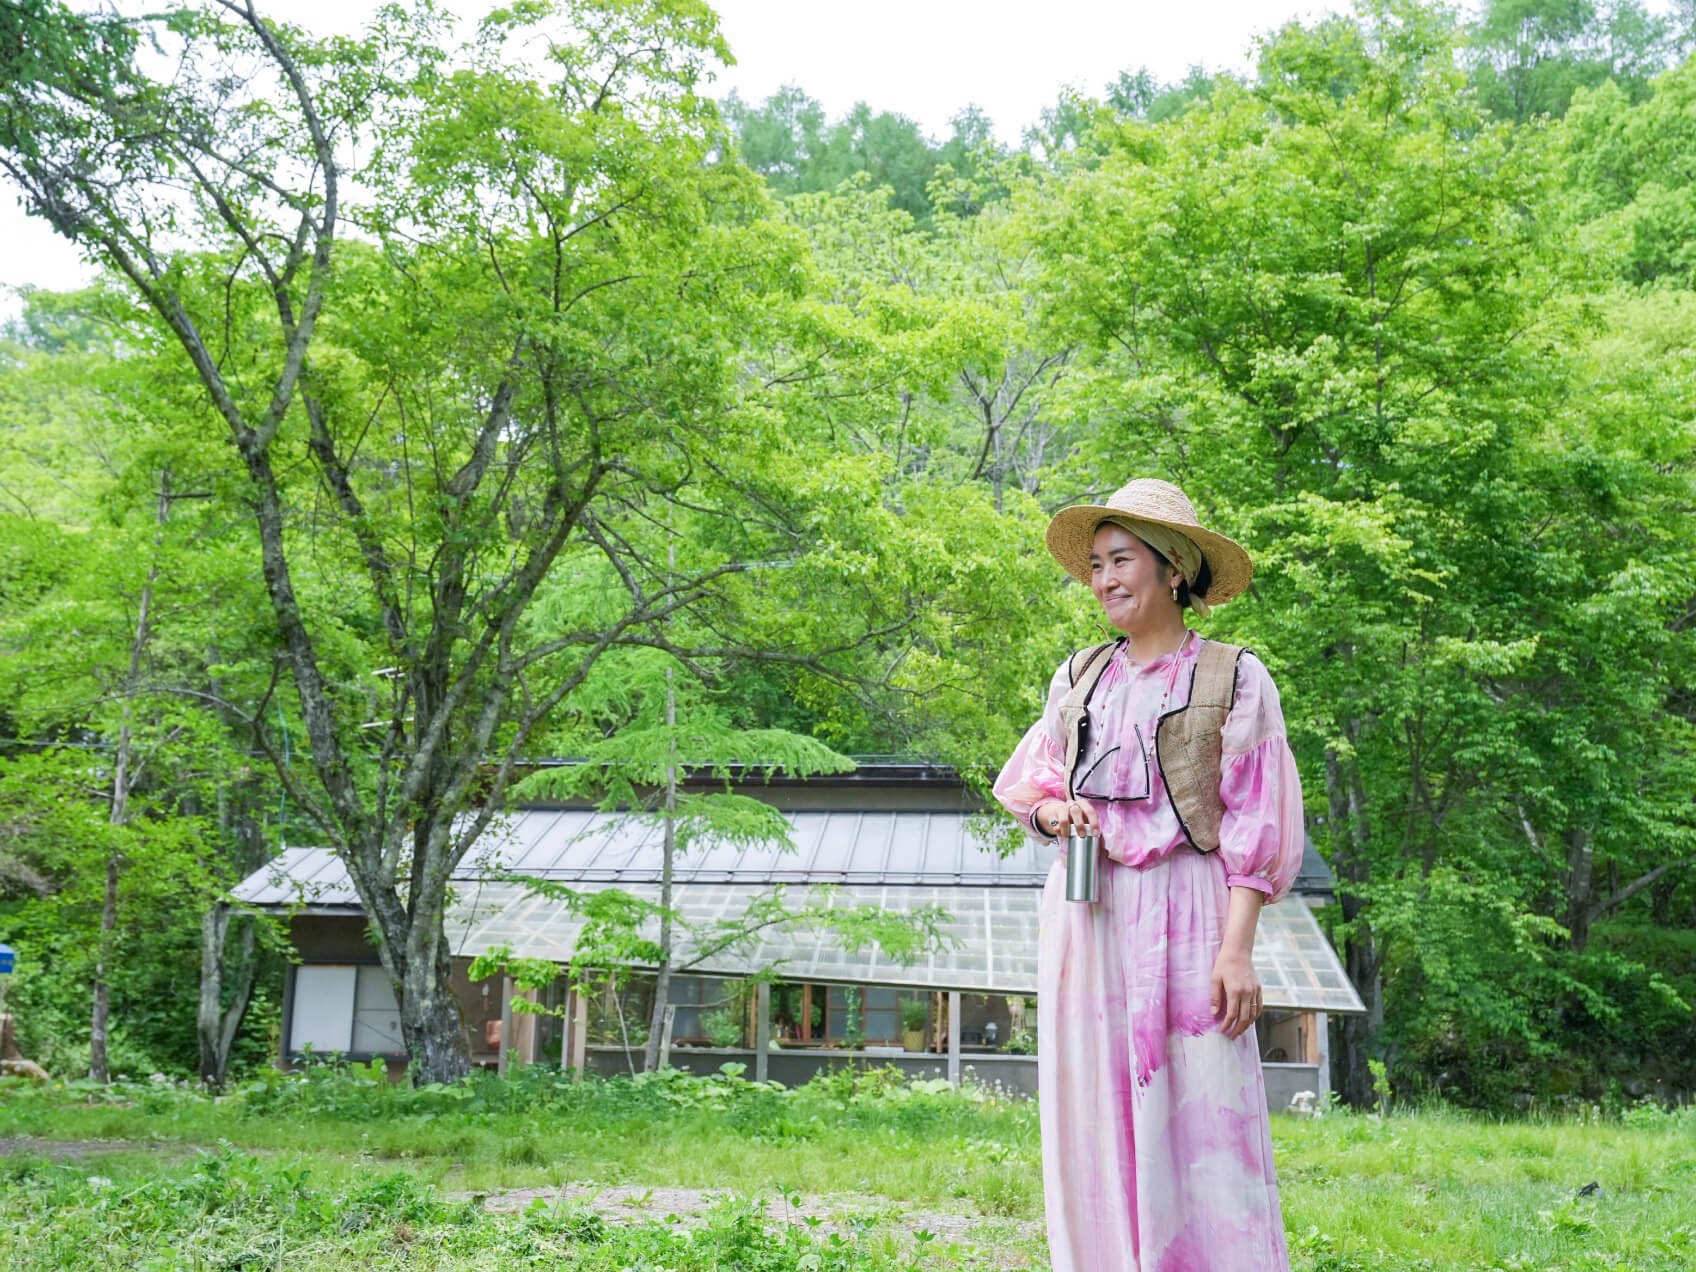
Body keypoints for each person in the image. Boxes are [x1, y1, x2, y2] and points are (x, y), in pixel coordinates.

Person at [993, 478, 1304, 1272]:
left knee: (1204, 1109)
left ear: (1174, 568)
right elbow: (1032, 783)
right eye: (1097, 564)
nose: (1104, 579)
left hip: (1192, 908)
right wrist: (1057, 814)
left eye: (1122, 559)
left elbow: (1258, 820)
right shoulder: (1080, 677)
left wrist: (1237, 950)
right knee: (1093, 1106)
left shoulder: (1235, 676)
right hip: (1088, 910)